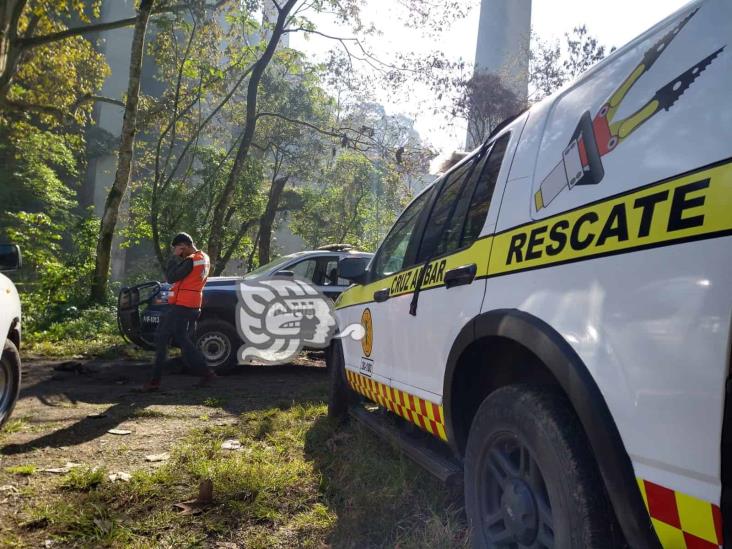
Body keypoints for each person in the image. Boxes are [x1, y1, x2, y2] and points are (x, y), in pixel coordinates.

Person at [141, 232, 215, 391]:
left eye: (178, 249)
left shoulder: (190, 261)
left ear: (184, 245)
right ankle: (206, 373)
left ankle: (154, 382)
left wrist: (174, 259)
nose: (177, 253)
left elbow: (171, 278)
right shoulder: (203, 257)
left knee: (161, 337)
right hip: (194, 304)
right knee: (183, 340)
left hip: (183, 305)